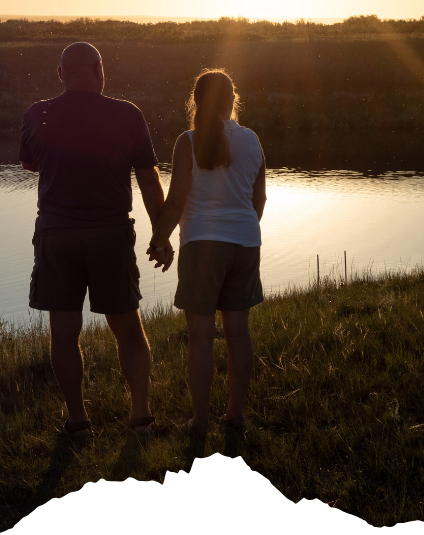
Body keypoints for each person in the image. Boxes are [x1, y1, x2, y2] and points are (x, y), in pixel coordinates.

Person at [20, 42, 171, 438]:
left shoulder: (39, 114)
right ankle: (140, 419)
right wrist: (161, 235)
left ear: (60, 74)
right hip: (109, 236)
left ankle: (78, 422)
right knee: (128, 329)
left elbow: (33, 164)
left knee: (64, 331)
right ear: (99, 70)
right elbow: (150, 182)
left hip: (56, 236)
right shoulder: (127, 114)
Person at [148, 69, 266, 441]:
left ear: (196, 101)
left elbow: (178, 200)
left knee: (200, 336)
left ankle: (200, 421)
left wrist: (159, 239)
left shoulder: (188, 141)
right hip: (246, 244)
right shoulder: (252, 140)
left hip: (202, 246)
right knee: (237, 331)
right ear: (233, 99)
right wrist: (242, 228)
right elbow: (258, 199)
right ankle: (236, 414)